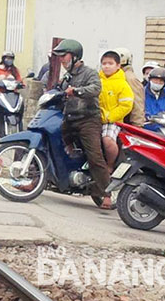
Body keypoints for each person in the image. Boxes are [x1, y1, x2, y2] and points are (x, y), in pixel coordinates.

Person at [52, 39, 111, 209]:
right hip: (69, 119)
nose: (62, 60)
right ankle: (36, 180)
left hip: (88, 120)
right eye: (60, 57)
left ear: (75, 56)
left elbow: (95, 89)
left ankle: (106, 193)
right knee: (53, 143)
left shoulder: (89, 73)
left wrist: (77, 91)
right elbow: (59, 90)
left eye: (64, 56)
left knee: (95, 156)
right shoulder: (67, 76)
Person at [98, 50, 133, 173]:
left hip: (112, 121)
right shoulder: (97, 81)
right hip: (94, 118)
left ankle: (110, 165)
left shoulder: (123, 85)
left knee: (108, 140)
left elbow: (126, 105)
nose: (106, 66)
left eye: (110, 63)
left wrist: (109, 116)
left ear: (118, 66)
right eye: (104, 63)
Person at [114, 47, 145, 127]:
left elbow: (137, 104)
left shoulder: (129, 78)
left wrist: (137, 126)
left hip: (124, 124)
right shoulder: (114, 76)